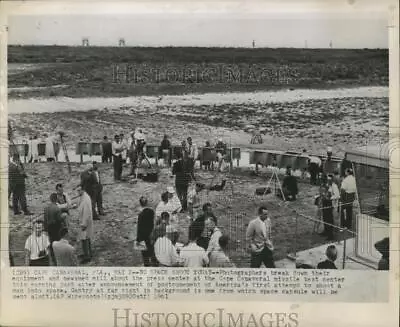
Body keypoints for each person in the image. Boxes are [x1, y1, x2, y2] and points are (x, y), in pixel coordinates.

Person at [136, 196, 156, 267]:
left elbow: (139, 227)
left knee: (144, 253)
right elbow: (153, 223)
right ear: (147, 203)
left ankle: (147, 265)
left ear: (140, 204)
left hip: (143, 236)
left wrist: (138, 239)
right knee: (152, 250)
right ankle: (154, 264)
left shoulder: (141, 214)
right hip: (150, 234)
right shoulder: (151, 211)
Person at [77, 185, 94, 264]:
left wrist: (84, 224)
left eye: (79, 190)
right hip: (83, 221)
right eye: (77, 191)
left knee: (85, 239)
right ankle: (87, 253)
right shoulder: (83, 197)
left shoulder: (86, 199)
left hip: (85, 223)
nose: (78, 192)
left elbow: (87, 213)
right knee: (85, 238)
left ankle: (87, 256)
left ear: (83, 190)